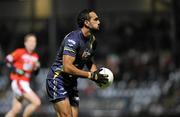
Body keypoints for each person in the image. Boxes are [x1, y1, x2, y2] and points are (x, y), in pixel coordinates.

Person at [46, 9, 108, 117]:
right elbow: (67, 67)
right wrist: (90, 75)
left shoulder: (93, 41)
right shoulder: (73, 39)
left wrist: (96, 74)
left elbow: (88, 60)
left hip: (71, 83)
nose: (99, 22)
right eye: (96, 19)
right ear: (87, 23)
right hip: (58, 79)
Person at [5, 34, 41, 117]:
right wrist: (16, 69)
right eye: (30, 41)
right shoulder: (19, 52)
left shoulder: (35, 56)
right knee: (36, 102)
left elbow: (35, 73)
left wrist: (37, 68)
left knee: (16, 110)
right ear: (25, 43)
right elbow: (7, 60)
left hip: (25, 83)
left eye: (34, 41)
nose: (32, 43)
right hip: (19, 82)